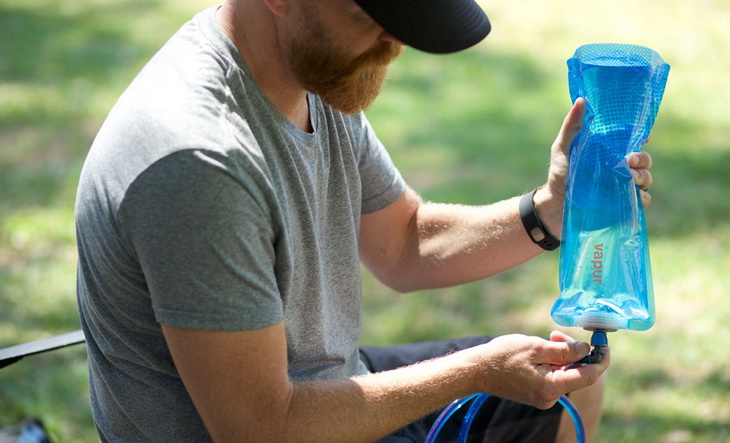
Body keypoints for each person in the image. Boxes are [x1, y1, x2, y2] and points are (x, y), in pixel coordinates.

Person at [74, 0, 654, 442]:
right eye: (374, 12)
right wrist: (478, 371)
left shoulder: (303, 65)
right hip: (273, 425)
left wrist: (551, 208)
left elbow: (402, 241)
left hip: (317, 388)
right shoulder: (200, 161)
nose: (395, 38)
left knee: (564, 402)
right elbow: (260, 428)